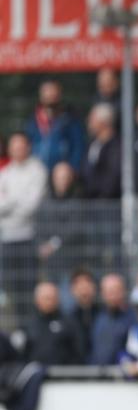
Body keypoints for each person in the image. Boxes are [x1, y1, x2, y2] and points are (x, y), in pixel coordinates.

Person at [0, 133, 47, 322]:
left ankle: (31, 327)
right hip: (7, 237)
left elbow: (31, 206)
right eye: (14, 146)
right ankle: (19, 327)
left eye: (21, 146)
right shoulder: (5, 172)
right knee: (12, 287)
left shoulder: (37, 170)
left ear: (28, 147)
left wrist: (9, 202)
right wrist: (16, 199)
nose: (17, 150)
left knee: (29, 287)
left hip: (29, 236)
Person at [23, 80, 86, 173]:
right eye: (47, 93)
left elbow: (78, 148)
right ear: (41, 96)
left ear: (59, 96)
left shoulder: (70, 121)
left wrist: (72, 169)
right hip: (36, 173)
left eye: (53, 94)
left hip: (61, 176)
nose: (50, 96)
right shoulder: (32, 123)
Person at [14, 282, 83, 365]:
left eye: (53, 297)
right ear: (37, 300)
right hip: (36, 375)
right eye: (46, 298)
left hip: (63, 375)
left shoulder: (69, 323)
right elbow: (21, 353)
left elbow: (78, 351)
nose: (50, 301)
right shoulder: (28, 325)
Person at [90, 274, 135, 366]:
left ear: (123, 291)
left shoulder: (133, 318)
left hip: (123, 375)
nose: (113, 295)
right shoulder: (95, 317)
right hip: (97, 374)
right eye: (109, 291)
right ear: (102, 293)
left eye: (116, 291)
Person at [82, 103, 122, 199]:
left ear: (104, 122)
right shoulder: (92, 144)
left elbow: (113, 177)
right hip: (89, 203)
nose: (88, 122)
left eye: (92, 119)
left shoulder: (117, 146)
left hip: (107, 204)